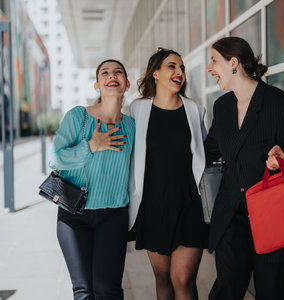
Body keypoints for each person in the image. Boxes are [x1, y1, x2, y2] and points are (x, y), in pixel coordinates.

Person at [205, 36, 284, 300]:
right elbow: (208, 151)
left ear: (234, 63)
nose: (209, 68)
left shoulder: (278, 103)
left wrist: (282, 155)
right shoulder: (222, 107)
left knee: (275, 292)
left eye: (214, 60)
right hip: (232, 217)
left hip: (274, 217)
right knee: (225, 291)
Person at [49, 59, 135, 300]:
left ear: (126, 83)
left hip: (114, 215)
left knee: (108, 291)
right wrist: (91, 146)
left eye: (118, 72)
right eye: (105, 73)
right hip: (74, 215)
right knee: (84, 292)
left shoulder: (131, 126)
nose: (112, 75)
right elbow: (55, 159)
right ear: (97, 85)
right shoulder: (78, 117)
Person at [128, 48, 208, 300]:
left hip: (189, 204)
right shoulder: (138, 110)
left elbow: (206, 153)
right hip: (154, 206)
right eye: (172, 66)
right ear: (156, 73)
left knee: (182, 278)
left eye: (182, 68)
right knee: (163, 279)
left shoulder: (195, 110)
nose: (179, 72)